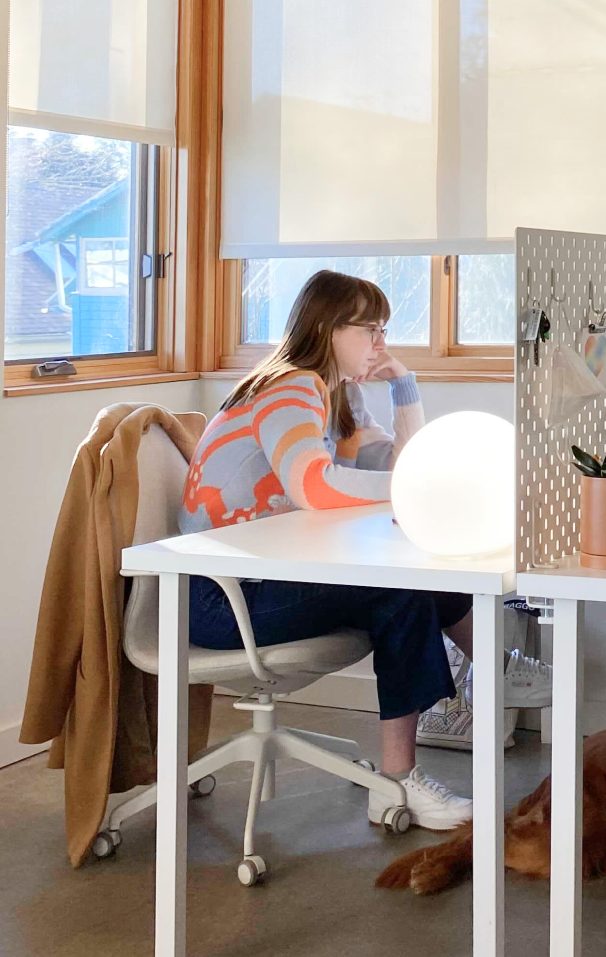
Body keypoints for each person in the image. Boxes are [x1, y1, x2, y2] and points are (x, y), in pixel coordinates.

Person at [181, 270, 472, 832]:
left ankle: (499, 671)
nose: (381, 344)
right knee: (404, 592)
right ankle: (401, 781)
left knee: (422, 578)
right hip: (220, 600)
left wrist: (404, 385)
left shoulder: (338, 398)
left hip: (262, 583)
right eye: (370, 330)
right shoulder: (288, 388)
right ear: (328, 328)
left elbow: (405, 467)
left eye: (384, 330)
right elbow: (313, 486)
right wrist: (410, 490)